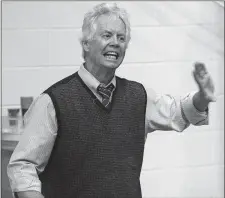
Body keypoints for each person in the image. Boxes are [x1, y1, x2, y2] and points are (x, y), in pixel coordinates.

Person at [7, 3, 216, 198]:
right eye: (107, 35)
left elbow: (178, 112)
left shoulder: (139, 95)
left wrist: (202, 97)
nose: (115, 43)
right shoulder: (53, 101)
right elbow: (23, 166)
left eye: (121, 38)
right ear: (86, 43)